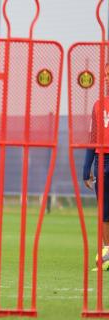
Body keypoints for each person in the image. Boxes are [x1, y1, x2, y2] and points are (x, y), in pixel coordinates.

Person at [83, 63, 109, 261]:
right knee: (104, 209)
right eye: (106, 75)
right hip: (102, 159)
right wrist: (86, 168)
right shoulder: (98, 104)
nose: (107, 78)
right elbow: (93, 138)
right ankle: (107, 253)